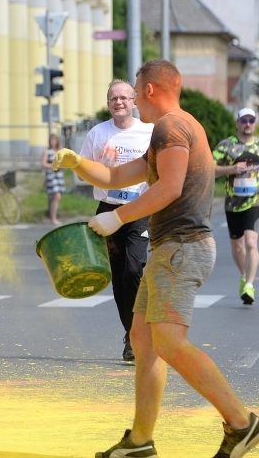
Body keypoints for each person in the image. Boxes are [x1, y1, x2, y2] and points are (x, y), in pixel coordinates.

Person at [53, 59, 259, 458]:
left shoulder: (171, 126)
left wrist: (117, 217)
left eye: (134, 85)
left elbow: (170, 186)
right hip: (170, 248)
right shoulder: (172, 129)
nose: (130, 92)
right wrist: (79, 163)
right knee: (143, 341)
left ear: (148, 89)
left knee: (168, 341)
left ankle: (242, 423)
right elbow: (116, 178)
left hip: (182, 247)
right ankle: (140, 441)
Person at [79, 79, 153, 362]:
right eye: (113, 98)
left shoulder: (149, 131)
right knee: (120, 277)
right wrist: (96, 168)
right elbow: (82, 170)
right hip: (108, 211)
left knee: (134, 270)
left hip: (138, 210)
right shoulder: (98, 134)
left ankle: (137, 333)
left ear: (134, 101)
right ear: (108, 103)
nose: (119, 102)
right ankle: (131, 336)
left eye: (124, 97)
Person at [213, 107, 259, 305]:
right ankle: (243, 275)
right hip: (233, 202)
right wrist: (232, 168)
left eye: (251, 120)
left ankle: (249, 284)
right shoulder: (226, 146)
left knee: (251, 242)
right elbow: (210, 168)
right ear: (237, 123)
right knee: (237, 247)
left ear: (255, 123)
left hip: (254, 201)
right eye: (244, 120)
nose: (247, 124)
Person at [41, 134, 65, 225]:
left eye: (55, 140)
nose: (53, 142)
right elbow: (43, 164)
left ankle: (53, 216)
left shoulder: (59, 151)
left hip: (59, 175)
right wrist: (53, 166)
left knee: (57, 197)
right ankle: (53, 217)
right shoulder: (47, 151)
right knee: (56, 195)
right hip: (51, 176)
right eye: (51, 140)